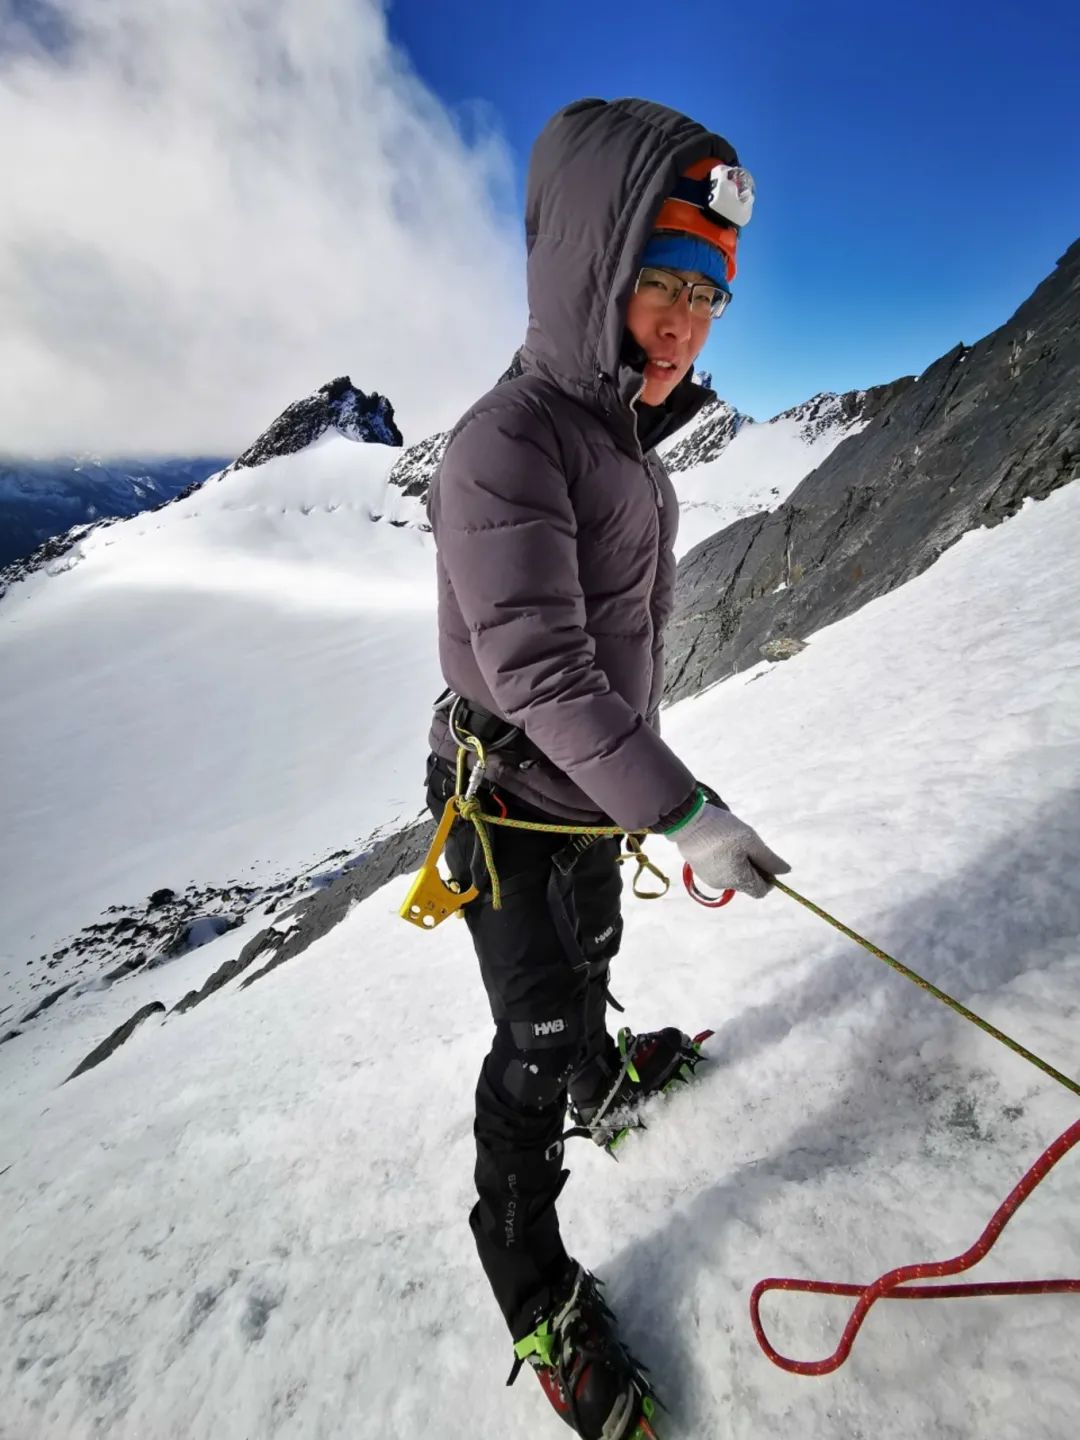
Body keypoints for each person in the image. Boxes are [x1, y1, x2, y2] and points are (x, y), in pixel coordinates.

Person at [424, 97, 789, 1439]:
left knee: (585, 963)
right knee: (532, 1032)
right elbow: (543, 671)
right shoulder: (505, 445)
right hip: (512, 800)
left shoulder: (631, 452)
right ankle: (534, 1286)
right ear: (594, 270)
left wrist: (642, 797)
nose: (687, 323)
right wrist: (681, 807)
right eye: (662, 284)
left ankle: (602, 1074)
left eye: (710, 295)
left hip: (582, 801)